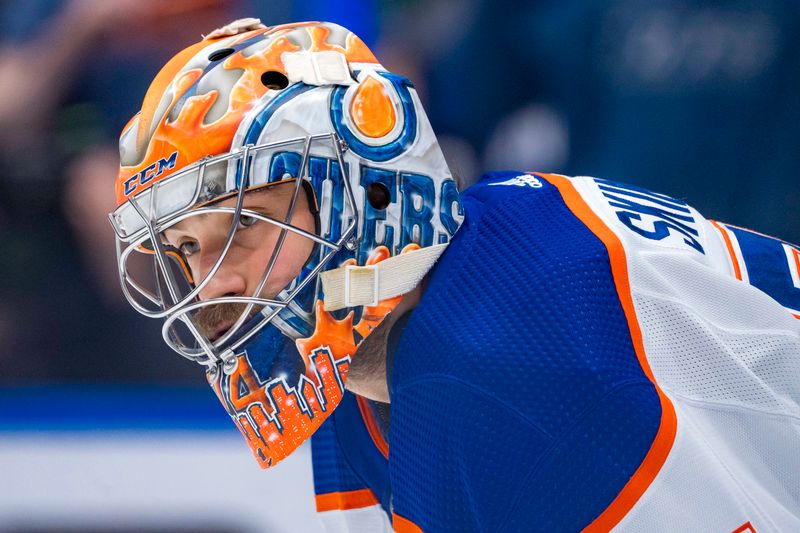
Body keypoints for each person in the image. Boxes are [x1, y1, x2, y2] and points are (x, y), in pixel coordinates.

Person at [109, 18, 800, 533]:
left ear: (366, 191)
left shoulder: (514, 357)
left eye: (246, 223)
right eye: (184, 248)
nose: (211, 284)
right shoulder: (357, 368)